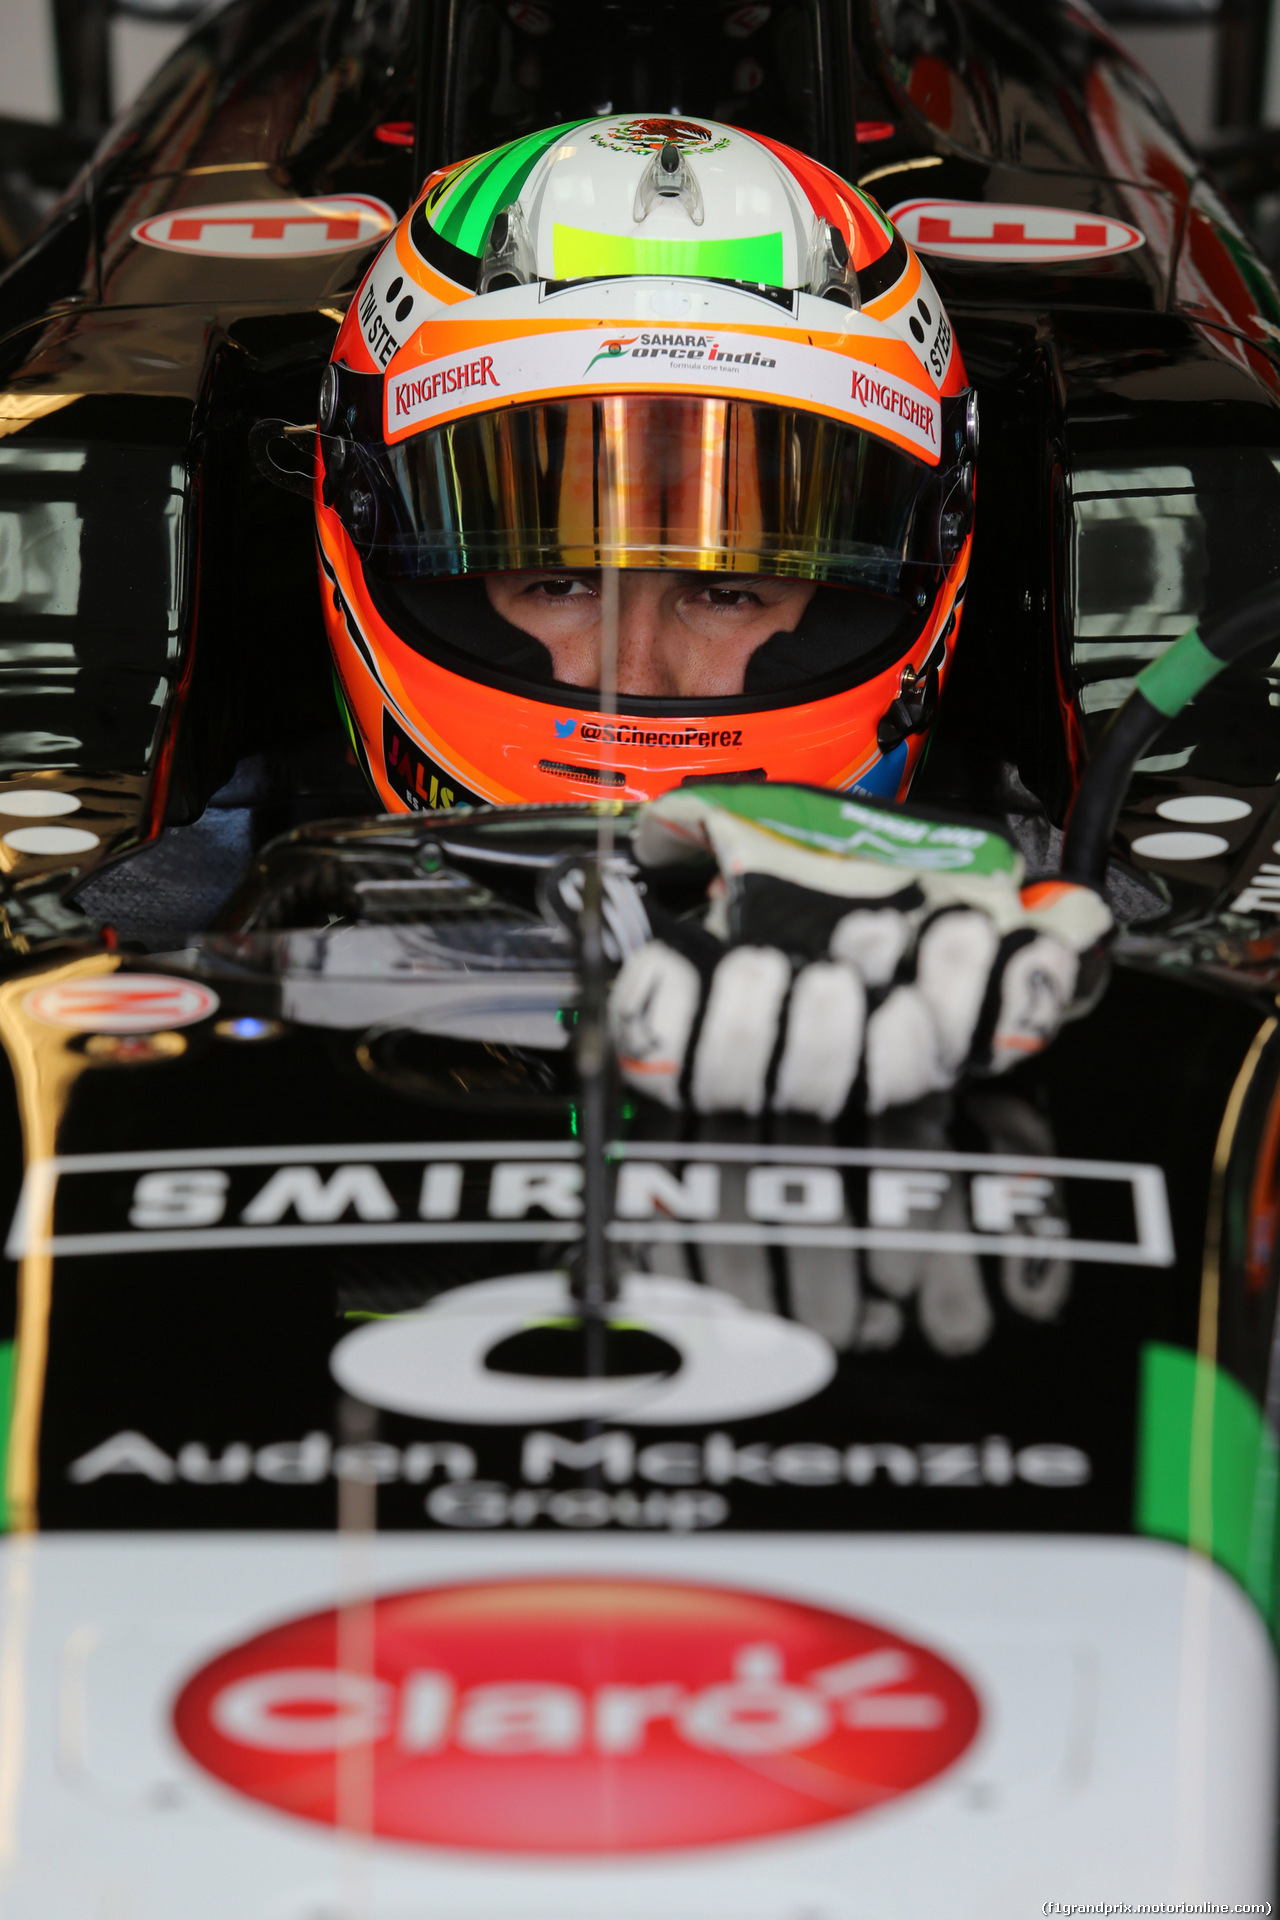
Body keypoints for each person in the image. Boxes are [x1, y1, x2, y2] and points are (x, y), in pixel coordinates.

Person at [314, 113, 1109, 1114]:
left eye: (730, 588)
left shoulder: (1041, 923)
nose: (635, 671)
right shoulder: (175, 900)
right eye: (554, 578)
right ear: (357, 510)